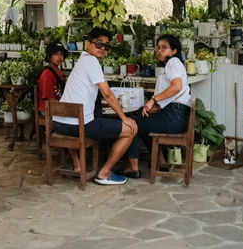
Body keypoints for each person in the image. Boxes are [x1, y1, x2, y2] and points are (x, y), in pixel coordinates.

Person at [53, 27, 137, 185]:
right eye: (99, 44)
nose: (103, 49)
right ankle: (105, 173)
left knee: (82, 120)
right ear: (88, 44)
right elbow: (107, 93)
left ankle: (78, 166)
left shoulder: (81, 61)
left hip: (59, 124)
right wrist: (124, 118)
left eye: (106, 46)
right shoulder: (91, 62)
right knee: (130, 130)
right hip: (79, 126)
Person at [122, 34, 192, 177]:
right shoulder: (174, 64)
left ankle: (133, 167)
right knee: (142, 120)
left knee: (132, 124)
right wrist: (159, 106)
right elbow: (175, 93)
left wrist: (154, 100)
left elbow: (177, 87)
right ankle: (160, 160)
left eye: (164, 48)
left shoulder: (173, 62)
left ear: (173, 51)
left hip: (174, 117)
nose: (159, 51)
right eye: (158, 48)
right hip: (177, 115)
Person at [37, 41, 68, 116]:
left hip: (56, 105)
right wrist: (65, 106)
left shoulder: (58, 72)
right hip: (47, 108)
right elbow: (49, 99)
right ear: (49, 57)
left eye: (61, 54)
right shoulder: (47, 74)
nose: (59, 57)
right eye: (56, 54)